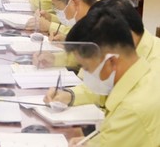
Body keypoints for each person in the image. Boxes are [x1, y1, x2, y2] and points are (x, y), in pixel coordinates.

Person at [61, 10, 160, 146]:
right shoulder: (146, 78)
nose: (85, 75)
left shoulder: (130, 110)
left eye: (87, 68)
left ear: (111, 62)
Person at [46, 0, 160, 108]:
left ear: (125, 33)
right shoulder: (127, 54)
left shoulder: (152, 74)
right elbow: (106, 87)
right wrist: (70, 95)